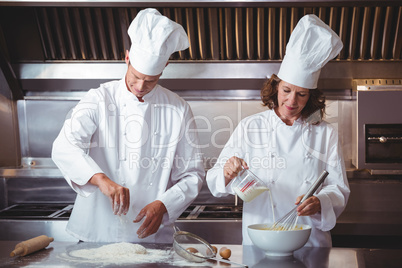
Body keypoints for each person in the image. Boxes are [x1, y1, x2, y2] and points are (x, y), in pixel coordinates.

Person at [52, 8, 204, 243]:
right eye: (136, 76)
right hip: (97, 230)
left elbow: (192, 174)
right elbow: (65, 146)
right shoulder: (99, 98)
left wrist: (164, 204)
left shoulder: (178, 108)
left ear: (163, 71)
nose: (141, 85)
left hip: (149, 232)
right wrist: (100, 179)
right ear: (127, 58)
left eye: (151, 80)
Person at [206, 14, 350, 247]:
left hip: (310, 239)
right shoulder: (251, 127)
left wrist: (320, 201)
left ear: (311, 96)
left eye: (301, 94)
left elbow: (339, 189)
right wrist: (228, 170)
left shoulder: (325, 133)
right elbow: (213, 181)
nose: (291, 101)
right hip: (261, 237)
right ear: (275, 86)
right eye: (286, 90)